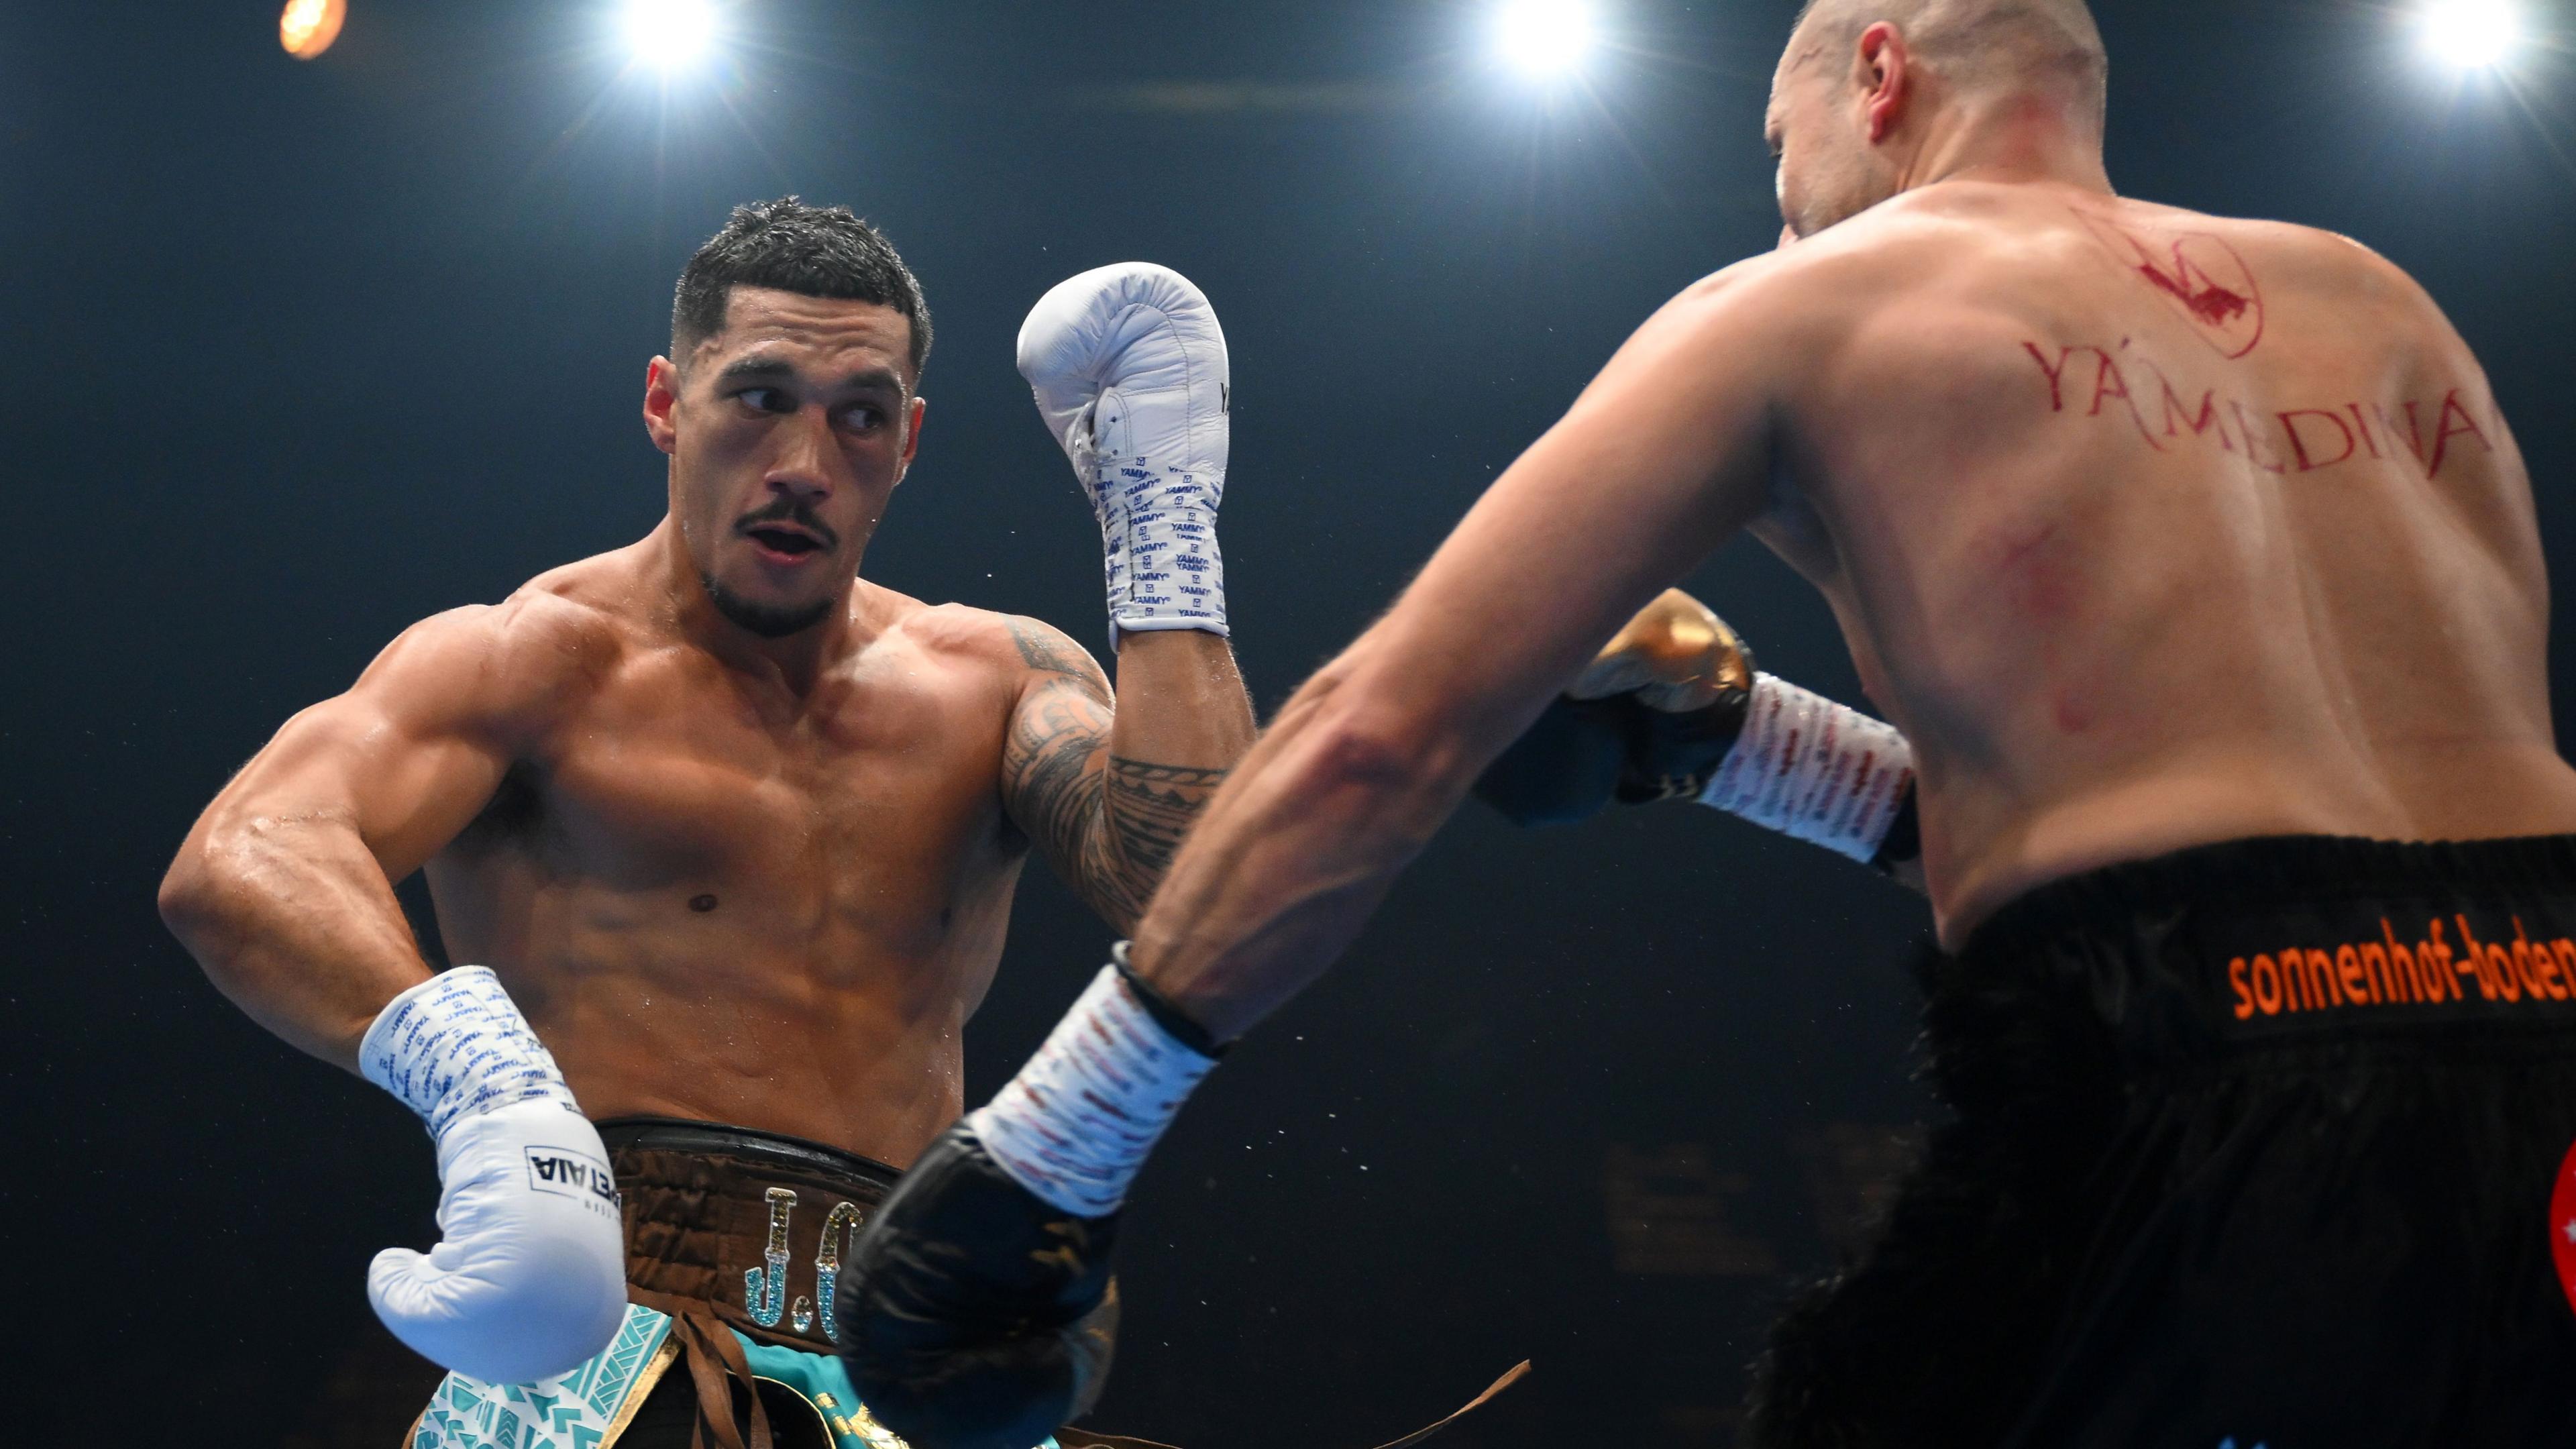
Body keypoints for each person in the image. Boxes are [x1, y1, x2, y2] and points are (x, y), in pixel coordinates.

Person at [835, 1, 2576, 1445]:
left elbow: (1377, 735)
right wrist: (1761, 751)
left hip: (2193, 1101)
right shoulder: (2381, 307)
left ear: (1880, 76)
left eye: (1777, 147)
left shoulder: (1810, 308)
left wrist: (1051, 1152)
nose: (1783, 202)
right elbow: (2274, 852)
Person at [157, 197, 1256, 1448]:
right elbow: (243, 858)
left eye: (860, 416)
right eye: (758, 397)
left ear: (909, 445)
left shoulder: (994, 681)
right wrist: (479, 1083)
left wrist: (1161, 536)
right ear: (666, 404)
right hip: (599, 1351)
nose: (804, 460)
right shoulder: (532, 665)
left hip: (903, 1376)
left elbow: (1195, 901)